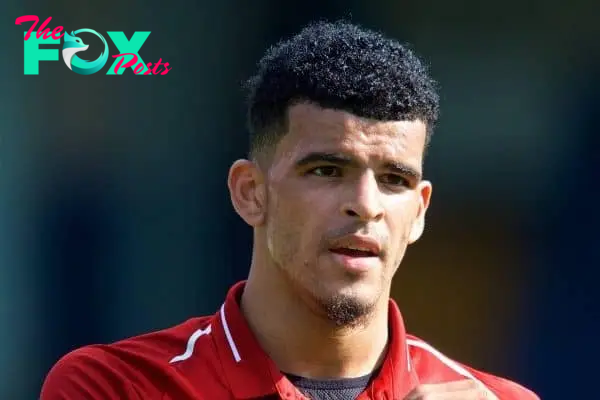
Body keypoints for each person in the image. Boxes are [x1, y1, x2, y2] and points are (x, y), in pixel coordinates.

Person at [40, 20, 539, 399]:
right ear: (250, 192)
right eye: (326, 170)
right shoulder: (115, 386)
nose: (365, 205)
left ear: (421, 211)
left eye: (393, 180)